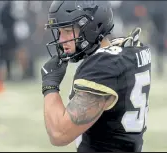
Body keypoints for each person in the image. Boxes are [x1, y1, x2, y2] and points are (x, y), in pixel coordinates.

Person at [41, 1, 151, 152]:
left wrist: (50, 85)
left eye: (67, 31)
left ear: (91, 27)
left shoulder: (101, 66)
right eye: (59, 32)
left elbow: (59, 134)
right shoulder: (128, 50)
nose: (61, 40)